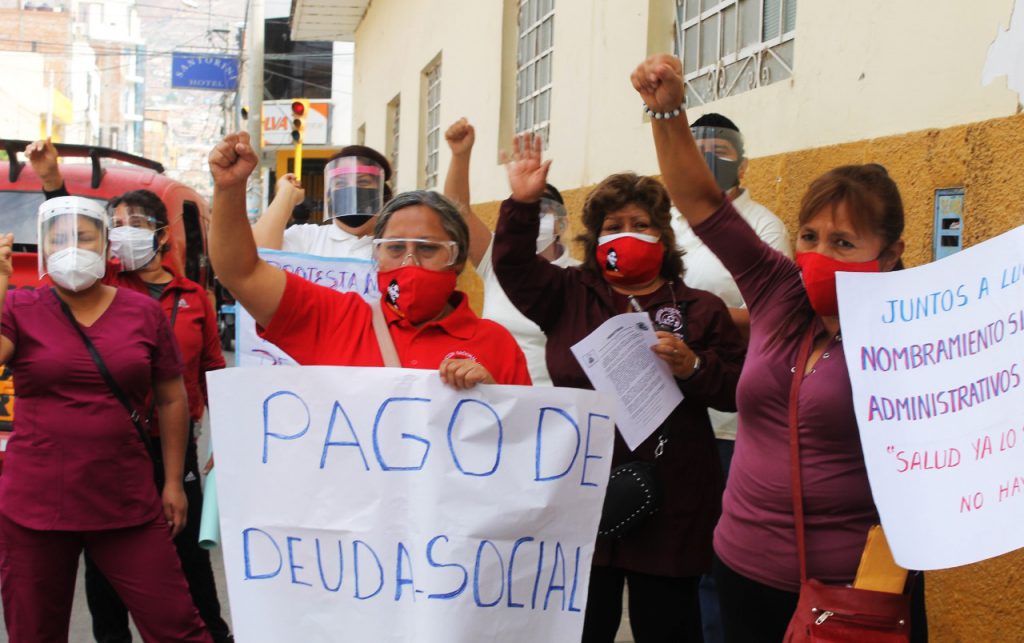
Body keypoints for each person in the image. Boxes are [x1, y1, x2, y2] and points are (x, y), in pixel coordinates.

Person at [631, 53, 926, 642]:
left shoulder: (916, 332)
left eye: (844, 242)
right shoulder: (778, 290)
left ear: (890, 253)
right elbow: (702, 204)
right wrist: (667, 113)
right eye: (809, 237)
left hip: (851, 590)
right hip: (742, 568)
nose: (818, 255)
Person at [492, 133, 746, 642]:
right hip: (582, 489)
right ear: (595, 239)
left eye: (640, 224)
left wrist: (693, 367)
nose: (626, 234)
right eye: (613, 227)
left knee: (667, 626)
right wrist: (521, 204)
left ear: (663, 236)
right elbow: (512, 265)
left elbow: (736, 389)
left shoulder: (701, 307)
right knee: (582, 627)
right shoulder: (566, 293)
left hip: (672, 495)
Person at [26, 139, 234, 643]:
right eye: (113, 225)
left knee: (187, 556)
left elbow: (213, 370)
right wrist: (52, 182)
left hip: (174, 445)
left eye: (133, 224)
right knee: (106, 569)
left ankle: (213, 632)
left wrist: (223, 441)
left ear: (161, 235)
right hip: (118, 447)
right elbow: (68, 232)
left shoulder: (194, 297)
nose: (121, 234)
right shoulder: (106, 284)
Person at [208, 131, 531, 388]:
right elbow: (241, 273)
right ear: (376, 255)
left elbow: (525, 439)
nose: (409, 262)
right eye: (395, 248)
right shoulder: (336, 321)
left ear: (457, 258)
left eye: (428, 249)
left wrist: (492, 398)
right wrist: (229, 188)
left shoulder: (497, 345)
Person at [672, 112, 792, 643]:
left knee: (718, 555)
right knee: (679, 544)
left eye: (721, 151)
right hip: (672, 409)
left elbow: (773, 313)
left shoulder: (764, 228)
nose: (708, 158)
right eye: (698, 148)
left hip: (728, 419)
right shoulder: (670, 224)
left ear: (743, 163)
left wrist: (698, 317)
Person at [443, 117, 581, 385]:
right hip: (493, 393)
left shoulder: (579, 276)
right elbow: (458, 211)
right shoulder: (496, 258)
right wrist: (460, 155)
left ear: (561, 222)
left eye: (542, 209)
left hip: (553, 403)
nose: (534, 217)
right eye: (527, 207)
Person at [251, 146, 393, 259]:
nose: (351, 190)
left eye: (363, 182)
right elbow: (257, 257)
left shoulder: (394, 246)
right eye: (340, 183)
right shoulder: (307, 238)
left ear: (381, 193)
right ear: (329, 195)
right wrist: (286, 193)